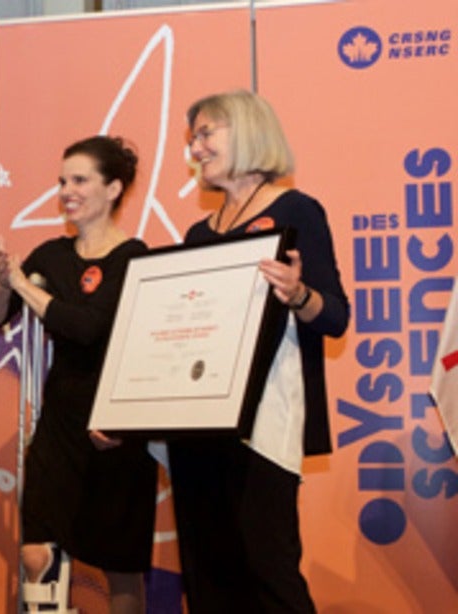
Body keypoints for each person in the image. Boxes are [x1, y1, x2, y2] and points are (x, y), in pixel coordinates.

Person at [168, 89, 349, 612]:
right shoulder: (198, 232)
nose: (195, 149)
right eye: (191, 138)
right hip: (197, 424)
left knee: (268, 569)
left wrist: (299, 294)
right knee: (208, 576)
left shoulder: (297, 211)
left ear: (247, 132)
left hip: (263, 422)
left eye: (206, 134)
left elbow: (335, 317)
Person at [0, 135, 158, 614]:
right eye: (62, 181)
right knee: (37, 554)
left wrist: (21, 281)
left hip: (115, 427)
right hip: (59, 425)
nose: (66, 191)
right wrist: (4, 281)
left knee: (119, 572)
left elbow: (87, 328)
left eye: (80, 180)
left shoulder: (134, 257)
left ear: (114, 188)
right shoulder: (52, 255)